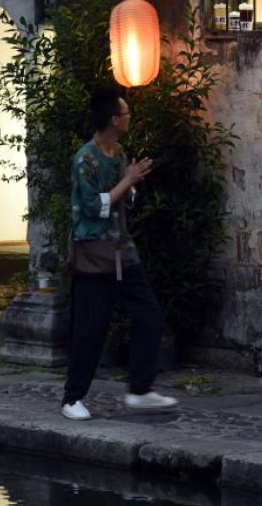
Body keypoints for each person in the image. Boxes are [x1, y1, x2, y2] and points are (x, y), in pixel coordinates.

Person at [60, 87, 178, 421]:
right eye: (125, 114)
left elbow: (125, 199)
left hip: (123, 252)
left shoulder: (120, 152)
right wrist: (127, 181)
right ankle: (72, 397)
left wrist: (132, 183)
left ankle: (140, 389)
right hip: (94, 253)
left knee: (150, 316)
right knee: (91, 328)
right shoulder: (84, 159)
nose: (129, 118)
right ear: (113, 119)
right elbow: (92, 206)